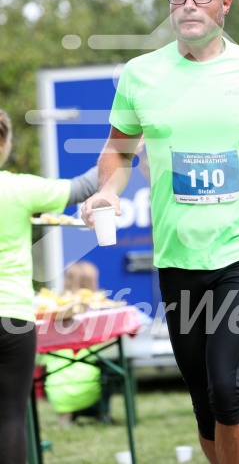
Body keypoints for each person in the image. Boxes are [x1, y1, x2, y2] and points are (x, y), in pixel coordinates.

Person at [81, 0, 239, 464]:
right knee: (205, 405)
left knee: (229, 390)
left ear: (224, 3)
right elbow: (119, 150)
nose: (188, 5)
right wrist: (107, 191)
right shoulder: (141, 74)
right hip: (177, 255)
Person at [0, 109, 98, 464]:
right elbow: (87, 185)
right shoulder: (17, 187)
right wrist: (126, 144)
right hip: (13, 316)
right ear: (5, 144)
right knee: (10, 418)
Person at [40, 261, 113, 427]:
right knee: (111, 367)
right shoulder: (98, 307)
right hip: (90, 389)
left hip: (56, 390)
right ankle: (104, 412)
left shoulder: (54, 307)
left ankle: (66, 415)